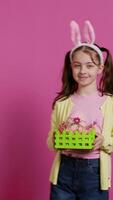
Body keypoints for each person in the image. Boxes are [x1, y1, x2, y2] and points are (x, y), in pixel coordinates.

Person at [47, 20, 113, 200]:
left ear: (100, 68)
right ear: (71, 67)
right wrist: (54, 139)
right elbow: (50, 141)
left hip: (94, 172)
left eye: (89, 65)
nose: (83, 70)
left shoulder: (109, 103)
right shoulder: (62, 103)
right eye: (77, 65)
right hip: (64, 172)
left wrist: (104, 141)